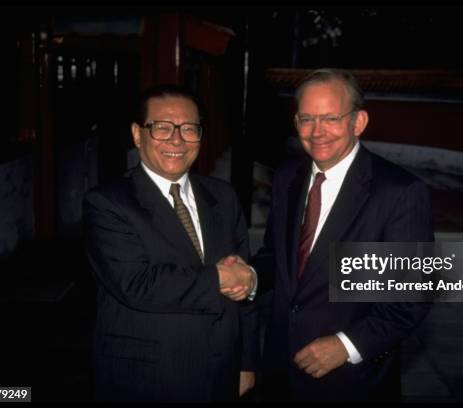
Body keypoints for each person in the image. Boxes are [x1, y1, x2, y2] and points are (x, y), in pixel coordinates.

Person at [253, 69, 434, 402]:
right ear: (296, 123)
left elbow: (411, 299)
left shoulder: (400, 193)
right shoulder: (287, 176)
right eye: (307, 119)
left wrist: (347, 345)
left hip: (351, 381)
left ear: (359, 122)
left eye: (331, 118)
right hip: (280, 370)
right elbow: (276, 257)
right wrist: (249, 275)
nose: (317, 131)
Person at [83, 84, 258, 402]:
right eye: (162, 128)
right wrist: (219, 278)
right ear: (138, 134)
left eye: (189, 129)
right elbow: (137, 283)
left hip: (221, 369)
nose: (177, 140)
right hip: (148, 375)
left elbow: (242, 283)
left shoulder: (223, 196)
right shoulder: (108, 203)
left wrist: (246, 363)